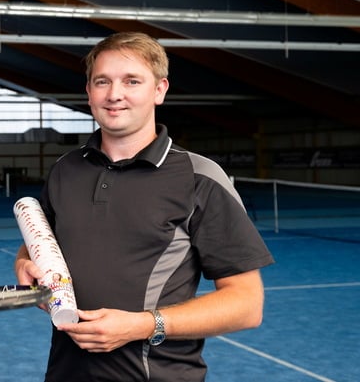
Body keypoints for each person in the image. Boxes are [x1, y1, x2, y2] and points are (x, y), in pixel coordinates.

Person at [14, 32, 274, 381]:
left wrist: (142, 325)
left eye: (131, 81)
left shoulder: (200, 178)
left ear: (159, 90)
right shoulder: (66, 170)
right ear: (89, 92)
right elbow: (42, 241)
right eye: (102, 81)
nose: (114, 94)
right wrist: (24, 263)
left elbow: (246, 304)